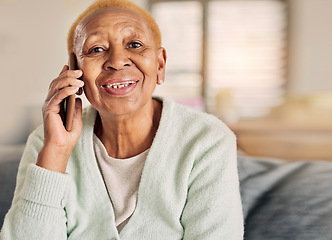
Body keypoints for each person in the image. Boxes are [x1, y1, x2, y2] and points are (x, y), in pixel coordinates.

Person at [0, 0, 244, 239]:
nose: (117, 61)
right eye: (96, 49)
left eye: (135, 44)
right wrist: (56, 151)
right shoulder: (46, 140)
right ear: (76, 70)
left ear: (160, 65)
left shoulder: (207, 141)